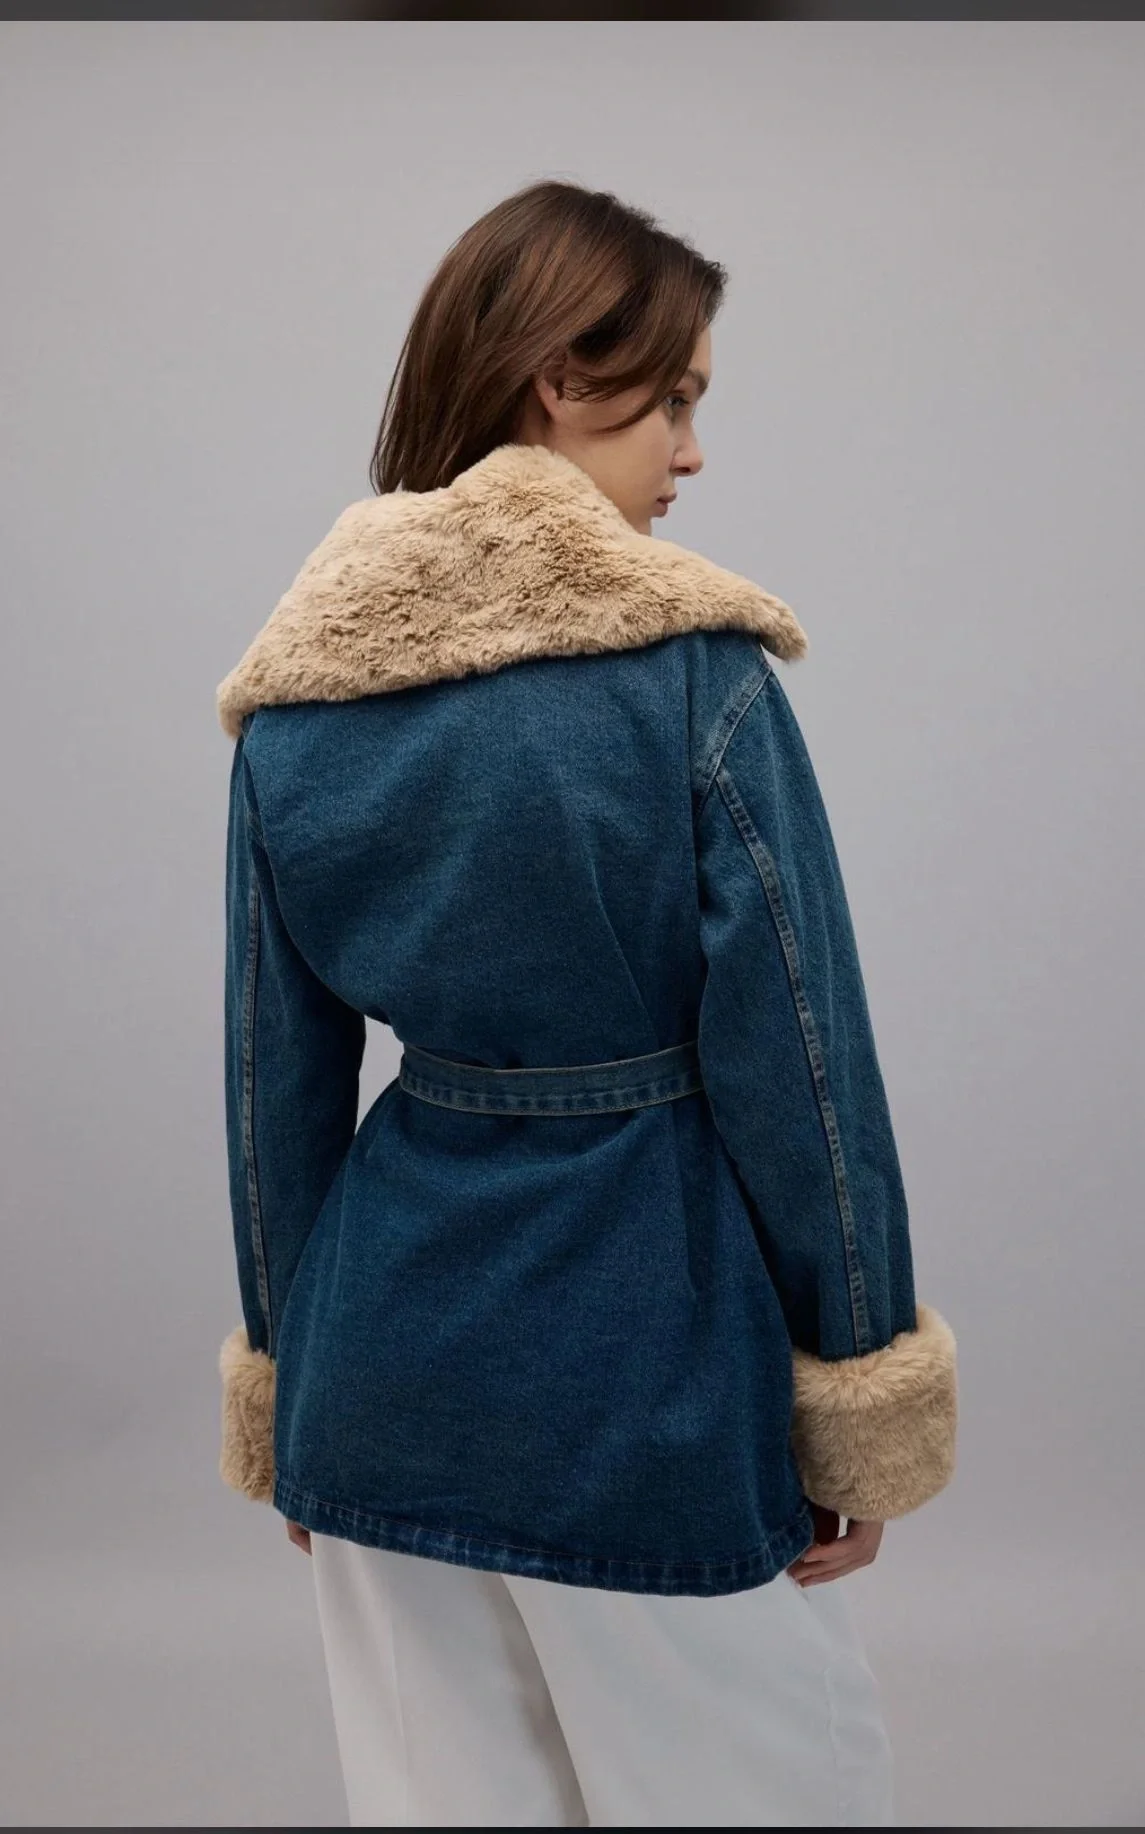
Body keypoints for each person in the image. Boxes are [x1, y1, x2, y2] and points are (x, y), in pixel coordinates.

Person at [214, 178, 958, 1828]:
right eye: (675, 398)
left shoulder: (297, 698)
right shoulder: (694, 673)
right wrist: (858, 1386)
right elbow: (805, 1064)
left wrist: (294, 1386)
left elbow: (274, 1092)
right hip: (648, 1371)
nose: (691, 454)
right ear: (561, 378)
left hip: (382, 1371)